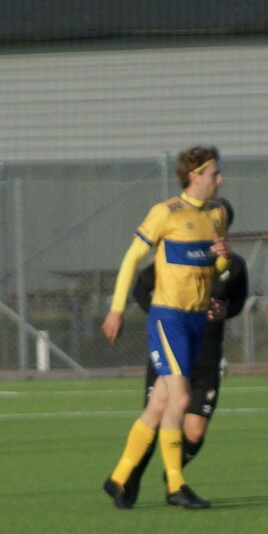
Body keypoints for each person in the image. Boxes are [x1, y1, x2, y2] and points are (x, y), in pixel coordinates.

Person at [101, 146, 231, 510]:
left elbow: (217, 269)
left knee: (160, 401)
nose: (220, 180)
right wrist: (116, 309)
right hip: (168, 317)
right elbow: (131, 258)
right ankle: (176, 484)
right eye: (214, 174)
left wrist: (223, 257)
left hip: (196, 319)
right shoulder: (165, 213)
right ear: (195, 177)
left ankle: (118, 478)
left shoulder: (217, 214)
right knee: (180, 399)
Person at [122, 198, 249, 504]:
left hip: (206, 354)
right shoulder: (179, 254)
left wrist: (225, 310)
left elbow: (238, 304)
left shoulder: (234, 265)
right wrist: (162, 317)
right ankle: (129, 482)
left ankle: (173, 477)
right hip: (171, 345)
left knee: (194, 432)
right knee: (157, 415)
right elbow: (140, 287)